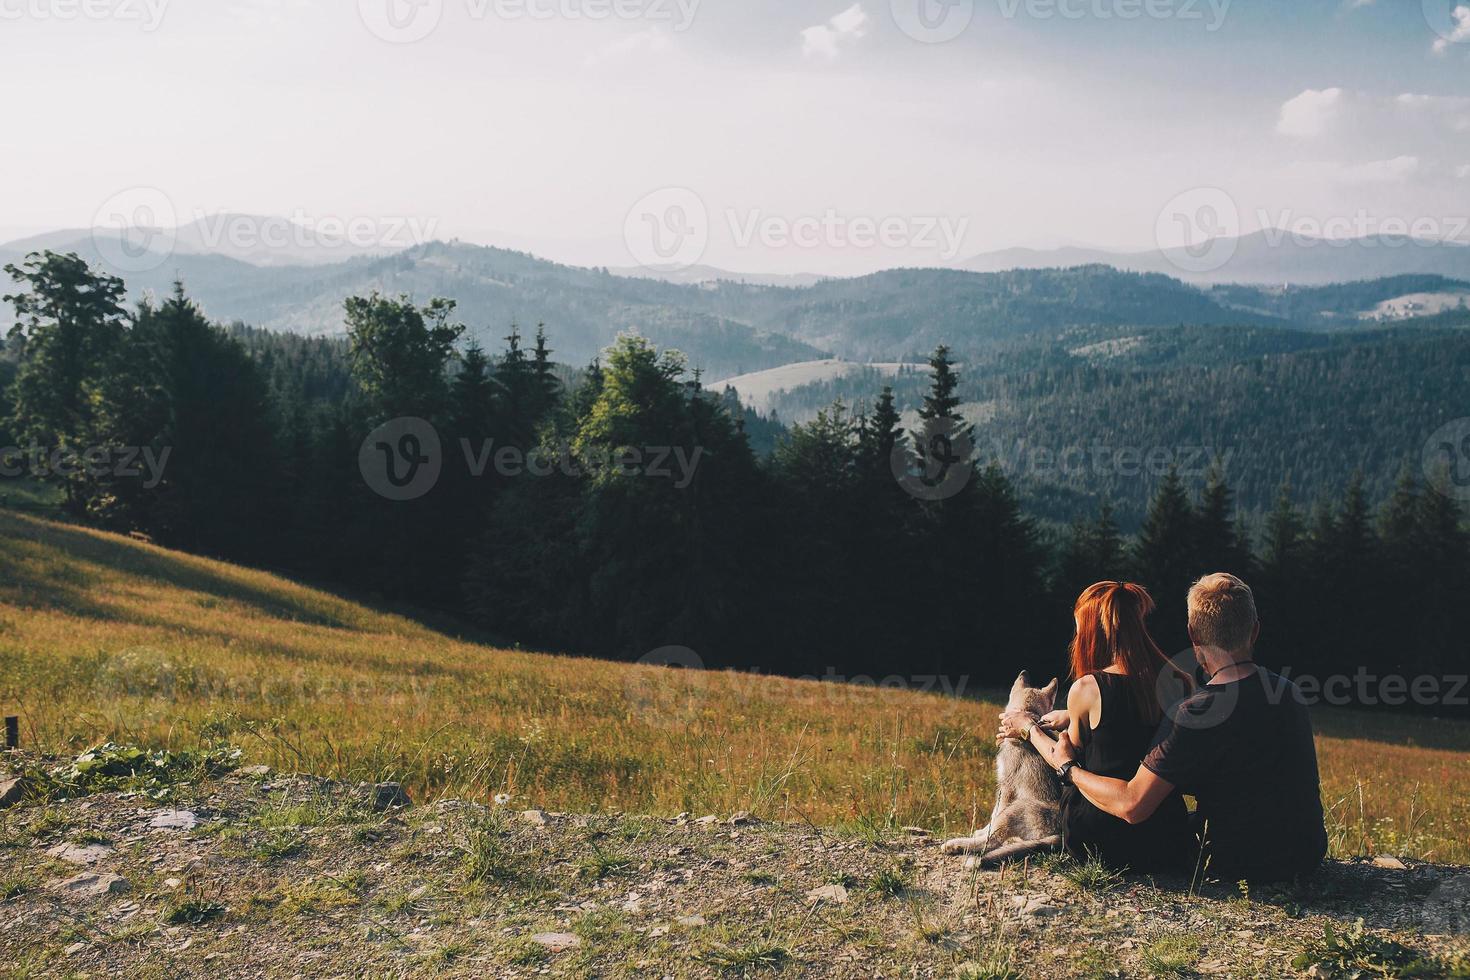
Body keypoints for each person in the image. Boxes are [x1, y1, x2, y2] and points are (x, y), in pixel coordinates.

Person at [1012, 572, 1328, 884]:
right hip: (1306, 854)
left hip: (1236, 862)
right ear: (1255, 631)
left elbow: (1132, 805)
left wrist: (1066, 767)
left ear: (1192, 634)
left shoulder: (1195, 713)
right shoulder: (1289, 693)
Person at [998, 581, 1193, 873]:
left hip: (1098, 841)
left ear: (1093, 634)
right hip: (1164, 840)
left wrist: (1029, 728)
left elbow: (1062, 757)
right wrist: (1071, 715)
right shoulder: (1178, 681)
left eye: (1079, 630)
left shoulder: (1088, 688)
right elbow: (1130, 724)